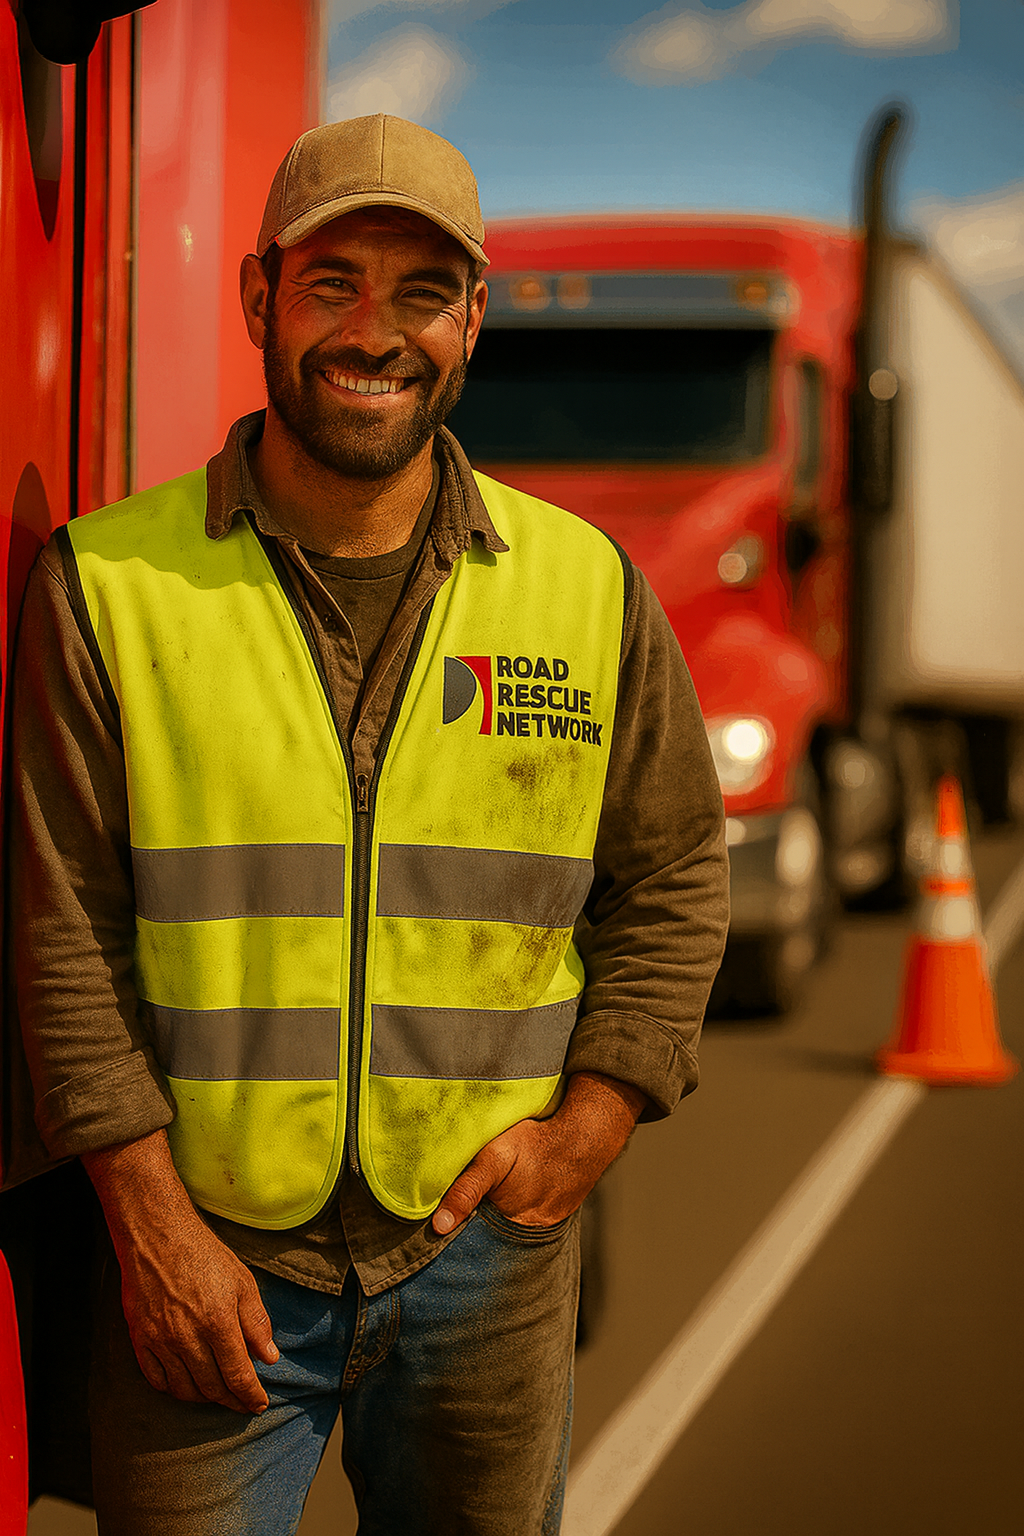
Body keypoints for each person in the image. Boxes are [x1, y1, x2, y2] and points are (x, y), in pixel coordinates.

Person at [9, 114, 729, 1534]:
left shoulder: (585, 588)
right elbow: (59, 928)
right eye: (334, 281)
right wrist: (150, 1226)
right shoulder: (107, 582)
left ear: (472, 318)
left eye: (420, 291)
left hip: (487, 1258)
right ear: (261, 295)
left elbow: (674, 877)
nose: (374, 332)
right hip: (206, 1265)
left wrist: (590, 1124)